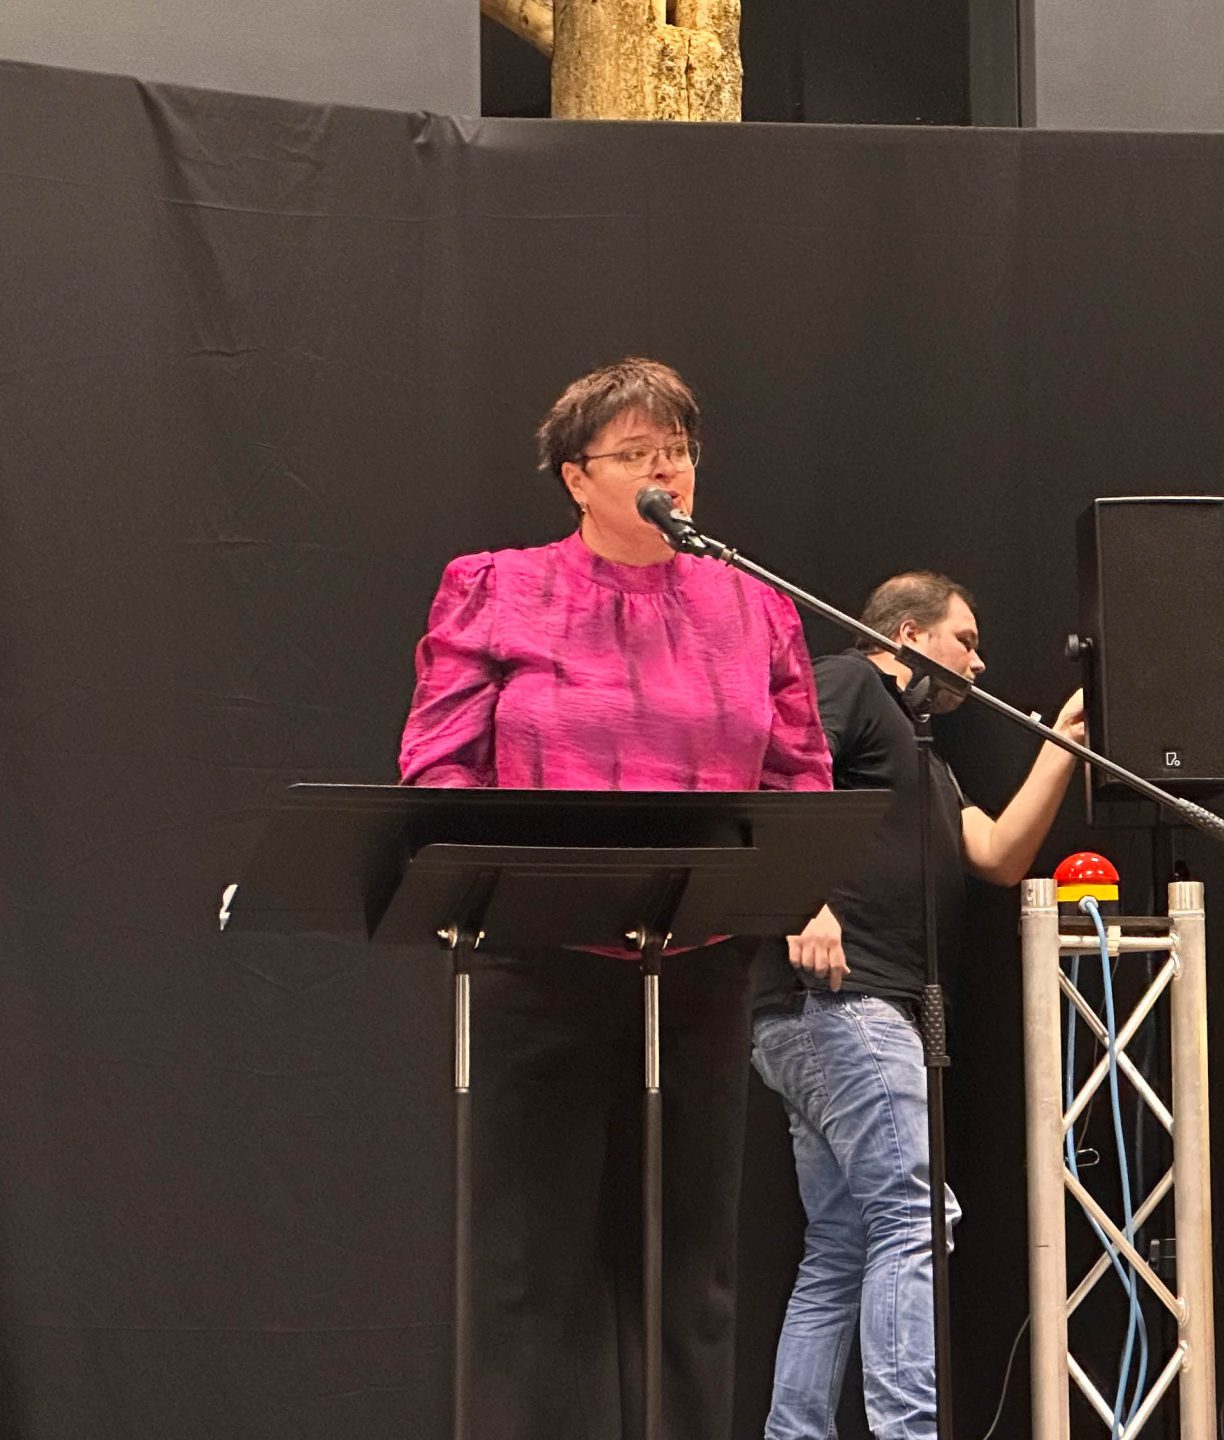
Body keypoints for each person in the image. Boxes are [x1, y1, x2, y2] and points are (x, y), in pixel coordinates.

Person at [399, 356, 833, 1440]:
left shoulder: (756, 604)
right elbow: (439, 767)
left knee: (691, 1270)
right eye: (635, 454)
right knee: (528, 1270)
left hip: (701, 966)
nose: (664, 473)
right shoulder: (498, 587)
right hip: (539, 964)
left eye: (676, 451)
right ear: (575, 478)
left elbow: (798, 777)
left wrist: (790, 886)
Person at [746, 572, 1085, 1440]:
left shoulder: (926, 755)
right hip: (842, 1001)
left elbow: (998, 853)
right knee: (914, 1216)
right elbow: (777, 776)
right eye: (964, 640)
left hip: (831, 1015)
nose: (979, 661)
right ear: (907, 634)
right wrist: (803, 903)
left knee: (842, 1244)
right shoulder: (851, 681)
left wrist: (1062, 745)